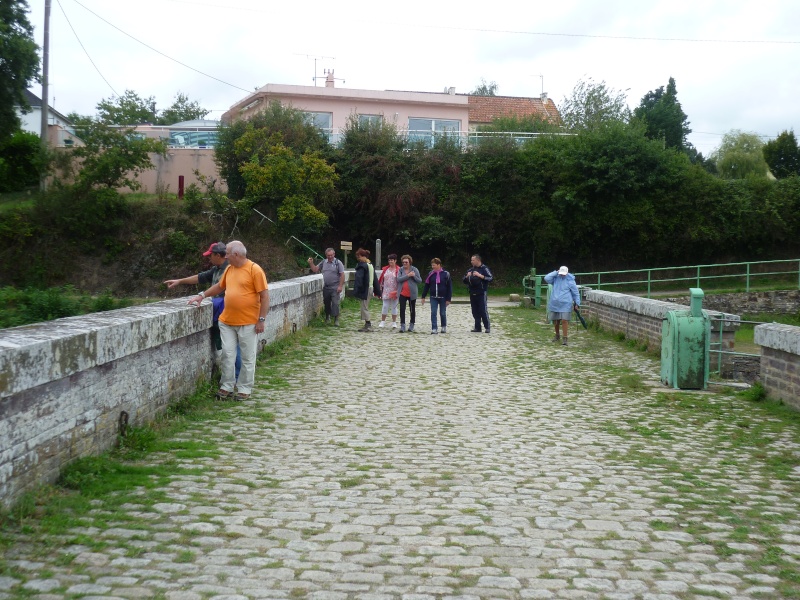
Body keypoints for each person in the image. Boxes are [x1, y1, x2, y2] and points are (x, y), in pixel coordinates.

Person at [188, 241, 269, 400]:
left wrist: (261, 320)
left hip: (248, 322)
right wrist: (202, 296)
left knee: (247, 357)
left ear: (236, 255)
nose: (225, 257)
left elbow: (265, 296)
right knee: (227, 354)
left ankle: (244, 388)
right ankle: (226, 386)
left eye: (228, 254)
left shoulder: (255, 270)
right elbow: (219, 286)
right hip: (227, 321)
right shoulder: (230, 269)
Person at [164, 242, 241, 379]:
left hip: (232, 314)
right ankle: (232, 379)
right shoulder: (217, 269)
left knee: (233, 348)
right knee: (229, 348)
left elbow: (221, 288)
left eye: (210, 255)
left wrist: (202, 295)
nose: (209, 258)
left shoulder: (230, 269)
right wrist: (179, 281)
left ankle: (236, 378)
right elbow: (200, 277)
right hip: (221, 314)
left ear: (218, 255)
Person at [307, 248, 345, 326]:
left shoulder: (338, 263)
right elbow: (315, 269)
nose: (330, 257)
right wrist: (311, 263)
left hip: (335, 286)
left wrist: (340, 286)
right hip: (326, 287)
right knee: (326, 303)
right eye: (328, 255)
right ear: (326, 255)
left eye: (331, 255)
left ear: (334, 254)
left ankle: (336, 319)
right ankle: (327, 317)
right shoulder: (324, 262)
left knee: (335, 303)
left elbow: (342, 275)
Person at [544, 265, 581, 346]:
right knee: (556, 321)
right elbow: (546, 278)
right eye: (561, 273)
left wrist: (577, 303)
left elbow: (575, 293)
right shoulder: (555, 278)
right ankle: (557, 335)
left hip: (565, 304)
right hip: (555, 303)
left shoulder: (570, 281)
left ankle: (565, 338)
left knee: (564, 320)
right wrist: (555, 272)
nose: (562, 275)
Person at [420, 258, 452, 335]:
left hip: (443, 297)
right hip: (433, 297)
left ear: (438, 265)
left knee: (442, 313)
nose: (432, 266)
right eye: (432, 265)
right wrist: (423, 296)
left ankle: (443, 326)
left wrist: (448, 299)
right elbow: (427, 286)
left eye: (434, 265)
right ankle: (434, 328)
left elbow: (449, 287)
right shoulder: (431, 274)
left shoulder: (446, 274)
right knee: (433, 312)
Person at [463, 254, 493, 333]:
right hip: (472, 292)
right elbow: (463, 280)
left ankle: (487, 327)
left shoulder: (484, 268)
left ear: (478, 260)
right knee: (475, 311)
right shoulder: (470, 270)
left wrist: (480, 276)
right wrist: (467, 276)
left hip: (482, 292)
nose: (471, 261)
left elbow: (490, 278)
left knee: (482, 310)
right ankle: (477, 327)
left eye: (473, 260)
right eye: (471, 260)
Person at [353, 248, 379, 332]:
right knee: (365, 306)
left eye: (359, 257)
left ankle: (368, 324)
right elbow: (375, 278)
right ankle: (367, 323)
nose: (358, 259)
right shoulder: (370, 265)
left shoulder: (362, 266)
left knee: (364, 307)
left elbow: (359, 279)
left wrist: (357, 290)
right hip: (370, 288)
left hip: (366, 288)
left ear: (363, 256)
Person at [396, 254, 422, 333]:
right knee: (402, 309)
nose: (404, 264)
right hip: (402, 293)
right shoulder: (400, 270)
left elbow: (419, 281)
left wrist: (413, 276)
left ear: (410, 262)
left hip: (412, 293)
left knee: (412, 309)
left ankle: (411, 324)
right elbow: (399, 279)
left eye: (406, 262)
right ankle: (402, 325)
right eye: (403, 262)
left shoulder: (414, 269)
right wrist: (408, 275)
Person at [377, 254, 400, 329]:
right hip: (386, 290)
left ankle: (394, 322)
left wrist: (398, 290)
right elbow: (381, 279)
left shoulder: (398, 270)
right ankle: (383, 321)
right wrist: (379, 288)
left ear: (395, 261)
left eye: (392, 260)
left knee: (394, 307)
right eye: (389, 260)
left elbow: (400, 280)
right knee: (385, 306)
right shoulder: (385, 269)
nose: (390, 261)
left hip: (395, 291)